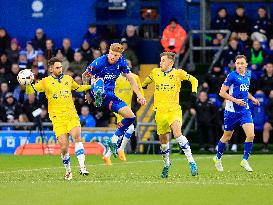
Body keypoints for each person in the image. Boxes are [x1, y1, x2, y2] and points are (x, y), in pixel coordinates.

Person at [26, 57, 91, 180]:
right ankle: (68, 171)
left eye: (61, 67)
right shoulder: (45, 82)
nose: (60, 69)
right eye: (57, 67)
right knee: (64, 147)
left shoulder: (68, 79)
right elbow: (31, 91)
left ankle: (83, 167)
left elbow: (78, 88)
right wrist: (28, 83)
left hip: (71, 115)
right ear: (51, 69)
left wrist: (90, 87)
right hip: (58, 119)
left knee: (77, 137)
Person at [82, 43, 146, 158]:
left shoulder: (121, 62)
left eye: (115, 55)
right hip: (96, 88)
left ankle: (112, 141)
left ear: (119, 56)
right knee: (99, 82)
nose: (112, 56)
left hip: (110, 96)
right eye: (111, 53)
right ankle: (98, 94)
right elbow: (85, 75)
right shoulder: (100, 62)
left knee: (131, 117)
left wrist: (139, 95)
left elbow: (131, 78)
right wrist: (87, 93)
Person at [142, 51, 198, 177]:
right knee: (163, 141)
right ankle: (167, 165)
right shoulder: (155, 72)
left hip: (173, 110)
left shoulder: (178, 73)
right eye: (160, 60)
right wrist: (142, 87)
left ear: (170, 62)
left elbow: (194, 80)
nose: (161, 62)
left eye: (163, 60)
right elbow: (146, 82)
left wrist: (193, 92)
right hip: (159, 112)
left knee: (178, 134)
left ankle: (192, 162)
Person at [213, 55, 260, 172]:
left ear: (246, 64)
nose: (239, 65)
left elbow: (245, 90)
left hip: (244, 110)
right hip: (231, 111)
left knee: (251, 135)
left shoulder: (248, 75)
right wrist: (235, 100)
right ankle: (217, 158)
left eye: (241, 63)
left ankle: (244, 160)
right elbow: (222, 93)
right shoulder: (232, 76)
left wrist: (252, 98)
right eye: (237, 63)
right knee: (227, 136)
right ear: (235, 64)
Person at [102, 66, 144, 165]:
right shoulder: (114, 78)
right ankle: (120, 150)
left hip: (128, 108)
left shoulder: (134, 77)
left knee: (123, 131)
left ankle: (108, 156)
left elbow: (140, 92)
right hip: (118, 107)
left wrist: (140, 97)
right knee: (130, 128)